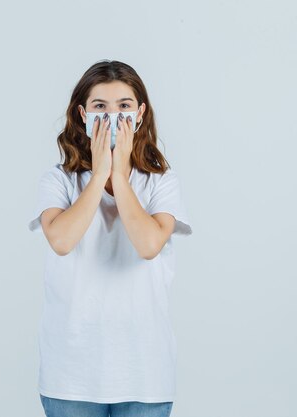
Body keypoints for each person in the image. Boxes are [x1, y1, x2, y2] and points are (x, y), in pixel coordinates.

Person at [28, 59, 193, 417]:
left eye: (124, 106)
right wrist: (99, 170)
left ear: (141, 114)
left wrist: (120, 175)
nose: (113, 117)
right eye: (100, 107)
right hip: (70, 375)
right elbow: (61, 240)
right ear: (83, 114)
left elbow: (149, 245)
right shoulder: (58, 181)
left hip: (144, 374)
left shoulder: (161, 182)